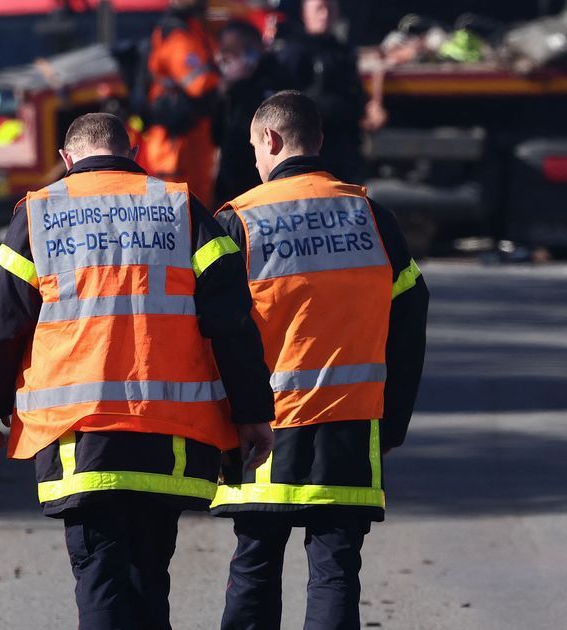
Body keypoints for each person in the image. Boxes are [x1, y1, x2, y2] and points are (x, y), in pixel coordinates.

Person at [0, 113, 275, 629]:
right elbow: (232, 321)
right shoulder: (180, 208)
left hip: (79, 437)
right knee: (149, 581)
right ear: (132, 155)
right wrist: (251, 414)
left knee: (100, 583)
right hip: (168, 436)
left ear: (67, 158)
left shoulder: (40, 213)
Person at [211, 91, 428, 630]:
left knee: (254, 564)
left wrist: (218, 425)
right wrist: (392, 421)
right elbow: (411, 315)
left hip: (264, 429)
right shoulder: (371, 216)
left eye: (254, 151)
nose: (255, 164)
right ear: (320, 141)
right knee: (336, 571)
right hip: (351, 426)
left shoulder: (239, 220)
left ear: (270, 140)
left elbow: (215, 330)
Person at [274, 0, 387, 183]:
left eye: (329, 8)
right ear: (304, 13)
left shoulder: (342, 51)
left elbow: (354, 89)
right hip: (311, 147)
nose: (325, 14)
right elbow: (284, 101)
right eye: (319, 8)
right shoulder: (292, 53)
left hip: (344, 146)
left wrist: (369, 108)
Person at [141, 0, 221, 208]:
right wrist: (227, 81)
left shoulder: (191, 27)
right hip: (175, 143)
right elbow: (199, 84)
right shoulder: (176, 34)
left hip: (192, 137)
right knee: (177, 208)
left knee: (198, 206)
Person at [214, 19, 293, 207]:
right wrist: (226, 88)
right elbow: (216, 132)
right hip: (232, 175)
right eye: (226, 50)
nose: (228, 57)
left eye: (235, 50)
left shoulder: (276, 75)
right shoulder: (224, 83)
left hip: (267, 172)